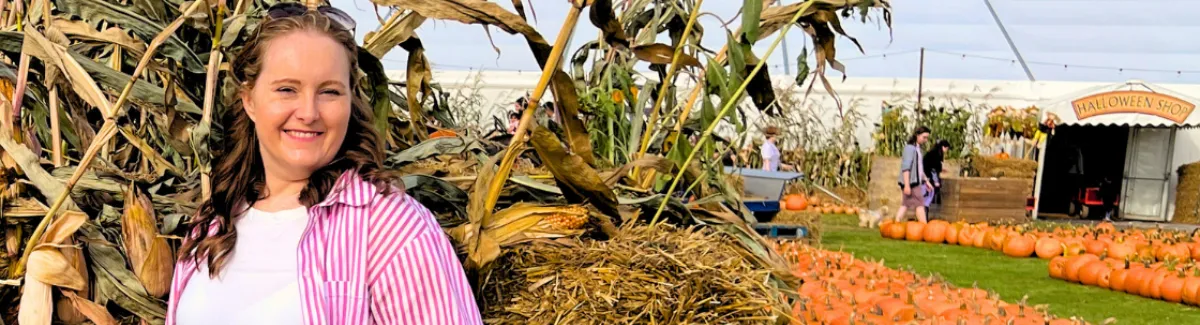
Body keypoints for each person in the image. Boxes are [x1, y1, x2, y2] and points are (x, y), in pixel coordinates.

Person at [168, 5, 481, 324]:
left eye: (329, 92)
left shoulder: (391, 230)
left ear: (350, 102)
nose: (308, 112)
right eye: (287, 89)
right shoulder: (213, 221)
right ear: (249, 100)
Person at [895, 126, 934, 223]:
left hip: (914, 181)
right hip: (911, 183)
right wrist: (907, 185)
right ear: (917, 135)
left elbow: (919, 169)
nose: (925, 140)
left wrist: (926, 181)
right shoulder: (910, 148)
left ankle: (896, 223)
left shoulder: (917, 149)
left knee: (905, 204)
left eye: (927, 138)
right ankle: (924, 227)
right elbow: (906, 168)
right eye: (924, 137)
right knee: (920, 203)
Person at [923, 140, 951, 213]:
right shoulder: (936, 155)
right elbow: (933, 169)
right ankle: (924, 217)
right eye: (946, 149)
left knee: (927, 198)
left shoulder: (933, 153)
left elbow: (934, 166)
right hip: (928, 177)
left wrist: (941, 169)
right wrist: (936, 181)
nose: (946, 151)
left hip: (926, 176)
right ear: (943, 147)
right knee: (928, 197)